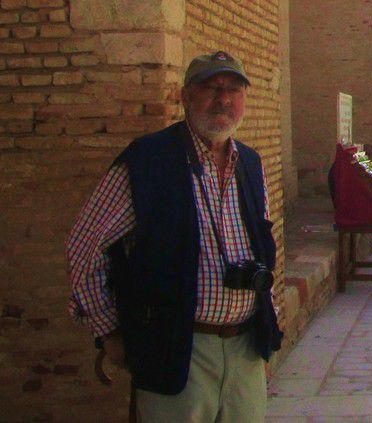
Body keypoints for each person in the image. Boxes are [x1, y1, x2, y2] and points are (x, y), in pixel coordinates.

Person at [66, 51, 282, 422]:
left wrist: (268, 327)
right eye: (211, 88)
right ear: (185, 97)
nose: (223, 99)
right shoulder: (148, 161)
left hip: (245, 346)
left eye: (233, 89)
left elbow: (261, 247)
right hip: (177, 348)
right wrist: (109, 332)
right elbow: (84, 247)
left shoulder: (250, 163)